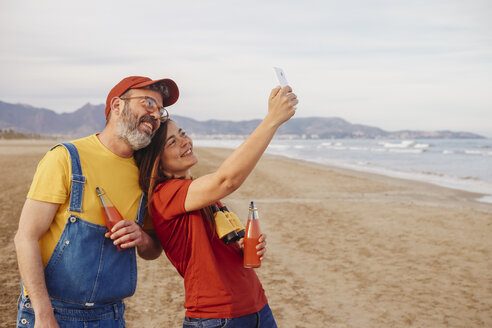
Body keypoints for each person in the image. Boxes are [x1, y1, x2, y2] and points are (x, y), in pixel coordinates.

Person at [14, 75, 180, 327]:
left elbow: (153, 250)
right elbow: (25, 237)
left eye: (160, 110)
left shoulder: (144, 175)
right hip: (53, 312)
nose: (156, 115)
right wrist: (43, 313)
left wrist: (142, 238)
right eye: (148, 103)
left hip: (109, 316)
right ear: (117, 106)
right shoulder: (66, 157)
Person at [134, 85, 298, 327]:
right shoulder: (165, 195)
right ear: (158, 162)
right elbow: (227, 180)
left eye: (182, 133)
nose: (184, 141)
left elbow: (215, 244)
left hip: (257, 307)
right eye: (172, 142)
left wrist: (241, 247)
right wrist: (272, 120)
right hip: (216, 317)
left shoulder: (196, 191)